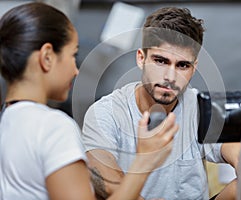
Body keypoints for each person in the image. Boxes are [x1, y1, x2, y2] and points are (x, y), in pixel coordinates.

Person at [0, 3, 177, 200]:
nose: (76, 70)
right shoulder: (54, 127)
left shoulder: (8, 120)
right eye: (73, 55)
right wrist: (145, 163)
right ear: (47, 57)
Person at [82, 6, 241, 200]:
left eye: (182, 65)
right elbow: (107, 182)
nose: (170, 77)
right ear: (141, 58)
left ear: (194, 67)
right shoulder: (105, 112)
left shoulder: (200, 107)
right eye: (161, 61)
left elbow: (236, 151)